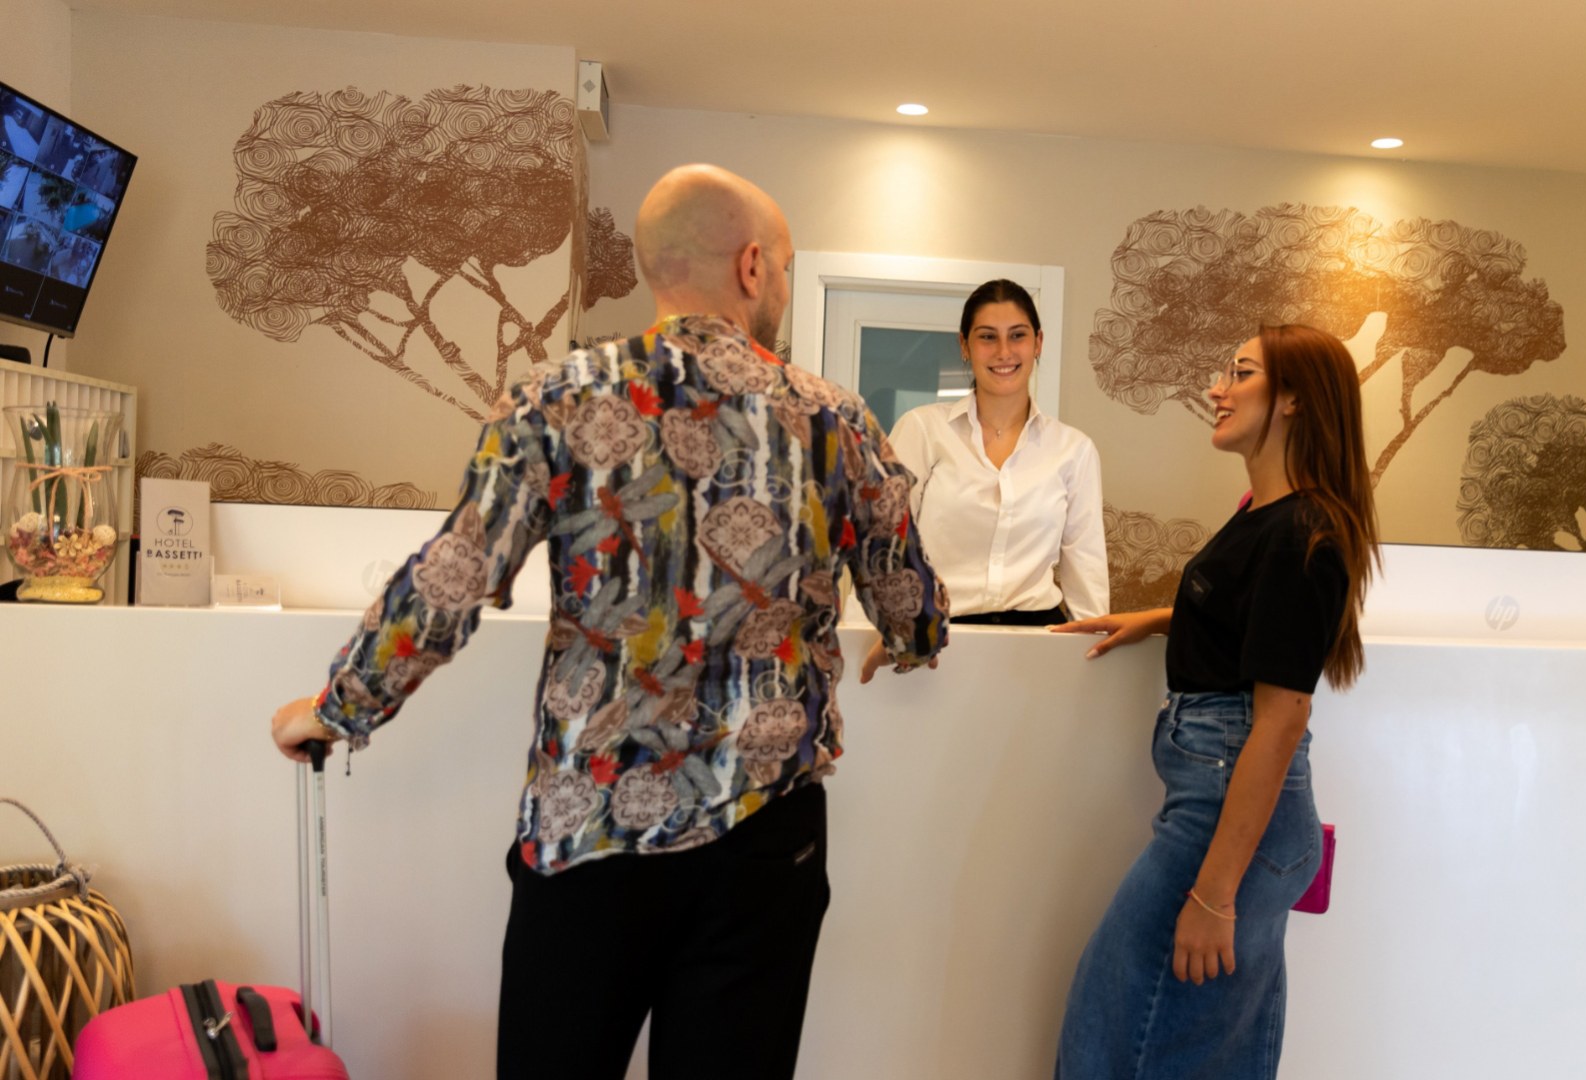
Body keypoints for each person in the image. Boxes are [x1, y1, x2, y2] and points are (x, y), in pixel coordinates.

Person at [269, 163, 949, 1080]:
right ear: (753, 267)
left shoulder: (558, 397)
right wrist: (907, 644)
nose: (782, 285)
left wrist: (339, 707)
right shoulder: (833, 418)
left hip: (587, 826)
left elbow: (456, 577)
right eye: (784, 267)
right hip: (764, 841)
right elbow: (909, 601)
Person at [1050, 324, 1380, 1079]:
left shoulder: (1305, 531)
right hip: (1224, 804)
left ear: (1292, 398)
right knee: (1203, 1055)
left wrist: (1214, 895)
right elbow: (1255, 623)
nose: (1216, 389)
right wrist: (1166, 618)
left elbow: (1282, 717)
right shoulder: (1270, 516)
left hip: (1228, 817)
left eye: (1240, 373)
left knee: (1110, 1049)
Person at [883, 278, 1107, 629]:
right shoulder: (922, 431)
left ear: (1038, 343)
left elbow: (1086, 567)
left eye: (1017, 335)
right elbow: (885, 544)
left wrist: (1093, 657)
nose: (1004, 351)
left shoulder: (1074, 450)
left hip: (1036, 639)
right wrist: (867, 640)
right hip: (938, 634)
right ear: (965, 345)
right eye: (988, 336)